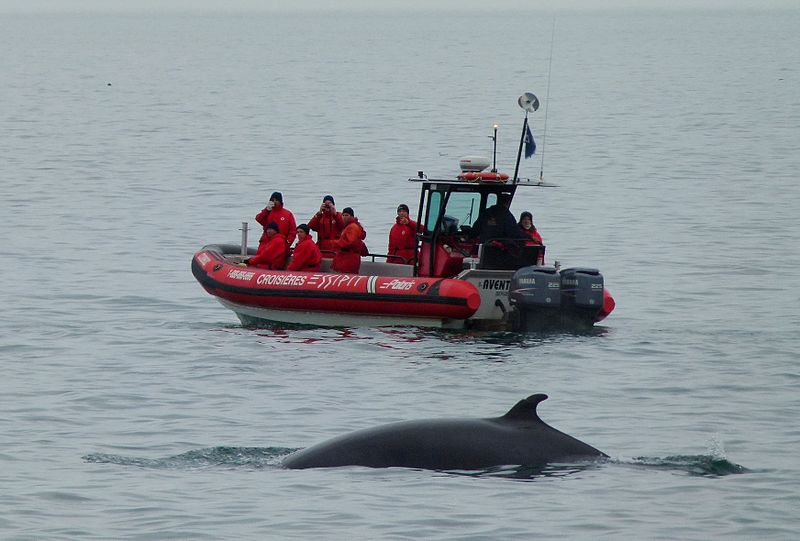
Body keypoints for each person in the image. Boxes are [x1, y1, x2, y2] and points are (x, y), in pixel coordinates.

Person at [331, 207, 367, 274]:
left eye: (347, 215)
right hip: (347, 257)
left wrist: (334, 243)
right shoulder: (348, 226)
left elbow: (349, 242)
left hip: (349, 258)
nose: (344, 217)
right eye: (343, 215)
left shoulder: (353, 227)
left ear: (352, 216)